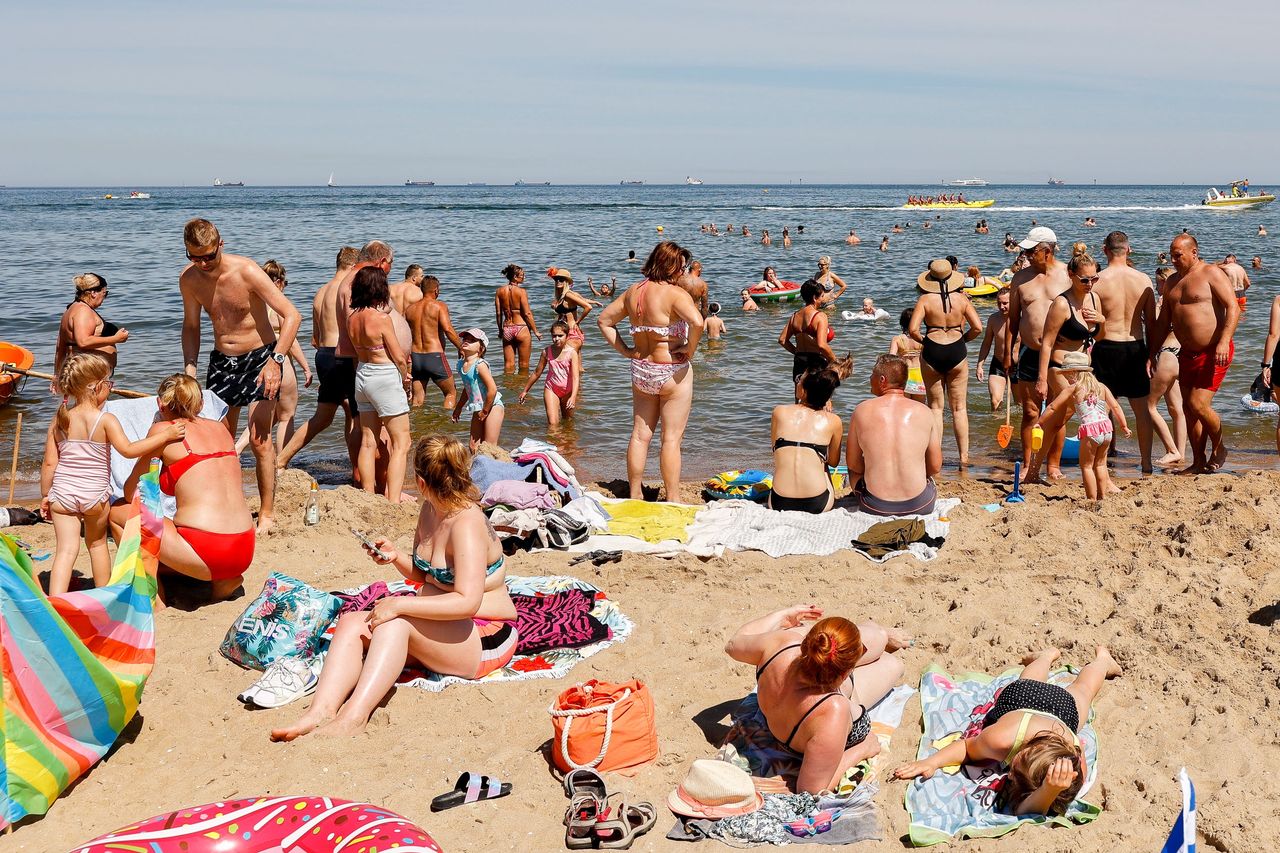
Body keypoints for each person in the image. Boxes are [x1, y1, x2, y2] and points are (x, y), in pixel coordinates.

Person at [271, 435, 518, 741]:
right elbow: (428, 575)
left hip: (486, 633)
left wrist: (401, 604)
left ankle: (354, 717)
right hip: (444, 625)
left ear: (420, 480)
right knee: (351, 623)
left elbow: (467, 601)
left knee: (394, 623)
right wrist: (395, 556)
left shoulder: (466, 523)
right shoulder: (430, 510)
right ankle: (319, 712)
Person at [894, 646, 1121, 816]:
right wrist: (932, 761)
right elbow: (965, 747)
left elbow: (1025, 810)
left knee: (1064, 684)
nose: (1008, 774)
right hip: (1024, 700)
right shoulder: (1001, 739)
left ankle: (1048, 657)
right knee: (1083, 689)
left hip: (1057, 711)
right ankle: (1099, 660)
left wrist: (1050, 790)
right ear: (1019, 752)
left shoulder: (1072, 764)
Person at [180, 218, 301, 534]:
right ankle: (228, 505)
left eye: (209, 256)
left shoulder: (246, 271)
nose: (204, 263)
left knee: (261, 441)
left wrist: (276, 361)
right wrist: (190, 369)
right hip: (221, 363)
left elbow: (292, 316)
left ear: (221, 244)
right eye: (195, 257)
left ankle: (268, 513)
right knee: (220, 440)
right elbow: (191, 326)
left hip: (261, 360)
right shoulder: (189, 280)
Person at [40, 353, 185, 595]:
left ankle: (57, 601)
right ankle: (103, 596)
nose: (111, 387)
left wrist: (46, 495)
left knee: (65, 550)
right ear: (96, 386)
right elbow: (129, 451)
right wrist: (164, 437)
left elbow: (49, 464)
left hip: (62, 494)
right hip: (95, 495)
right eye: (109, 383)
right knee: (97, 545)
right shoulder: (105, 419)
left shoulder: (60, 420)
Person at [725, 607, 908, 794]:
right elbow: (810, 789)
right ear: (846, 673)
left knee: (877, 636)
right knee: (893, 663)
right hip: (837, 695)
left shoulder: (783, 644)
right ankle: (875, 637)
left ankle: (876, 636)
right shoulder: (832, 710)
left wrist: (780, 616)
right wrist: (862, 749)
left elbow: (733, 644)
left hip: (810, 681)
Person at [114, 374, 256, 602]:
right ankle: (222, 581)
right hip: (244, 548)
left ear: (160, 404)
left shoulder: (165, 430)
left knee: (119, 511)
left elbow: (132, 492)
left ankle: (155, 595)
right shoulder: (220, 428)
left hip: (207, 547)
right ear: (200, 404)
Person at [598, 242, 705, 501]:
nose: (683, 272)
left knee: (640, 434)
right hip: (670, 370)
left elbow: (604, 320)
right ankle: (674, 498)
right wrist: (689, 350)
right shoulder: (675, 294)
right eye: (681, 266)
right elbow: (698, 322)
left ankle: (635, 493)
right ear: (671, 265)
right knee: (670, 439)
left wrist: (624, 350)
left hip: (641, 370)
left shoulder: (633, 291)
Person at [1149, 234, 1239, 473]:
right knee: (1189, 411)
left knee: (1198, 404)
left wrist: (1224, 340)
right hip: (1186, 353)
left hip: (1214, 350)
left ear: (1194, 253)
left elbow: (1233, 306)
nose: (1174, 259)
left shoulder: (1211, 273)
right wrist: (1151, 353)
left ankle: (1219, 448)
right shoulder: (1172, 283)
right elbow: (1162, 323)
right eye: (1171, 255)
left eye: (1178, 255)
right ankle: (1198, 462)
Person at [1091, 231, 1172, 472]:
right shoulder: (1144, 280)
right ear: (1129, 250)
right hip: (1135, 347)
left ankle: (1101, 462)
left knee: (1101, 410)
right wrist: (1151, 354)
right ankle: (1146, 462)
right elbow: (1154, 323)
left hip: (1106, 347)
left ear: (1105, 250)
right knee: (1142, 410)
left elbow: (1091, 322)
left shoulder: (1097, 280)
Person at [277, 247, 361, 477]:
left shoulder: (321, 292)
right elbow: (353, 328)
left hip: (324, 355)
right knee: (357, 415)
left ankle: (281, 460)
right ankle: (357, 471)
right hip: (343, 355)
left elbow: (315, 339)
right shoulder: (348, 290)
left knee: (323, 417)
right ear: (354, 266)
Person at [1007, 227, 1070, 476]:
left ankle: (1053, 465)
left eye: (1031, 251)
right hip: (1030, 351)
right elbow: (1013, 319)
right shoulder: (1020, 278)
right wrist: (1008, 352)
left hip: (1060, 354)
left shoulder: (1067, 274)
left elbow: (1082, 307)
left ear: (1047, 251)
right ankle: (1028, 463)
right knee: (1031, 410)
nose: (1026, 255)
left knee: (1057, 411)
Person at [1034, 253, 1103, 479]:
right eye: (1084, 280)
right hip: (1060, 368)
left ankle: (1036, 469)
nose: (1090, 284)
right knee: (1089, 414)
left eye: (1094, 279)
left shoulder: (1094, 300)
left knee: (1055, 424)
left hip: (1083, 370)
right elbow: (1046, 343)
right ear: (1071, 275)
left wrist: (1102, 322)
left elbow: (1101, 338)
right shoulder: (1061, 304)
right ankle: (1097, 473)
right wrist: (1042, 379)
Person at [846, 354, 942, 515]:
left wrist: (872, 467)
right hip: (920, 505)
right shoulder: (924, 411)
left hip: (875, 506)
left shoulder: (861, 410)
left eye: (872, 374)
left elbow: (853, 464)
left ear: (882, 380)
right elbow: (935, 466)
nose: (870, 378)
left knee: (854, 471)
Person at [348, 266, 412, 504]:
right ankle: (393, 500)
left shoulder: (351, 319)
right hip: (384, 375)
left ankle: (367, 495)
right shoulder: (382, 319)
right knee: (402, 441)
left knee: (368, 439)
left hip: (363, 375)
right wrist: (406, 378)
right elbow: (397, 356)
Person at [235, 261, 312, 458]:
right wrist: (306, 367)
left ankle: (237, 448)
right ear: (278, 282)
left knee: (266, 415)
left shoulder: (253, 306)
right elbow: (291, 343)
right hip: (279, 362)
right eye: (285, 283)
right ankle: (281, 463)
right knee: (286, 415)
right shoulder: (279, 306)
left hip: (256, 362)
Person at [910, 260, 982, 466]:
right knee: (959, 409)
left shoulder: (924, 299)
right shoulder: (962, 299)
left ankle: (935, 458)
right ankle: (964, 458)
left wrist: (927, 342)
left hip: (933, 349)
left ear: (930, 279)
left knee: (935, 408)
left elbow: (913, 330)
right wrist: (962, 340)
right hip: (957, 350)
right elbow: (977, 327)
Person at [1033, 352, 1130, 501]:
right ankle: (1102, 496)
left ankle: (1091, 499)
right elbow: (1115, 407)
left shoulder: (1073, 388)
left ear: (1073, 373)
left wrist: (1040, 422)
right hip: (1106, 430)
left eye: (1066, 374)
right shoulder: (1101, 387)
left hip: (1091, 430)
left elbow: (1053, 407)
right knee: (1100, 465)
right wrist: (1124, 426)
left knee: (1086, 466)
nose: (1065, 377)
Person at [769, 368, 843, 513]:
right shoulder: (834, 421)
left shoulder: (779, 412)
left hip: (779, 502)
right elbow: (833, 462)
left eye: (799, 380)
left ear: (804, 390)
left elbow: (775, 450)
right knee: (823, 462)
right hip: (817, 503)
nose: (797, 383)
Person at [405, 275, 462, 409]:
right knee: (450, 393)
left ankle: (418, 428)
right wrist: (461, 347)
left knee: (417, 400)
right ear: (436, 290)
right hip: (434, 356)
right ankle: (448, 424)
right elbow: (448, 329)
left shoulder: (409, 309)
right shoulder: (439, 306)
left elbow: (405, 336)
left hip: (416, 358)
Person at [55, 273, 128, 376]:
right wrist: (116, 338)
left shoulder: (71, 309)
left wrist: (57, 374)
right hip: (88, 372)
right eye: (104, 293)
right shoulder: (83, 311)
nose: (104, 297)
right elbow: (83, 341)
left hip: (80, 370)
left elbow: (60, 347)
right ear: (93, 292)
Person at [518, 320, 580, 426]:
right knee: (552, 423)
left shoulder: (572, 353)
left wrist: (573, 396)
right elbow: (537, 373)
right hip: (552, 388)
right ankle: (553, 441)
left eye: (560, 336)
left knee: (568, 421)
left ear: (567, 335)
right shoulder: (547, 352)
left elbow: (575, 377)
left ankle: (566, 442)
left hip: (568, 391)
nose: (556, 339)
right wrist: (525, 391)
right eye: (554, 336)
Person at [453, 328, 505, 449]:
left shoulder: (480, 365)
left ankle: (494, 466)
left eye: (472, 340)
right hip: (479, 407)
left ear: (480, 349)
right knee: (473, 446)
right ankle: (478, 467)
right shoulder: (461, 365)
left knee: (489, 446)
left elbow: (492, 389)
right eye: (465, 339)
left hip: (493, 406)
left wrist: (485, 411)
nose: (466, 341)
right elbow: (468, 389)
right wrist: (458, 407)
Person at [780, 281, 837, 383]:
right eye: (822, 296)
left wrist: (797, 352)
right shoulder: (820, 316)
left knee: (799, 396)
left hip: (799, 361)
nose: (823, 299)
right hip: (816, 362)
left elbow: (782, 340)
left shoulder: (794, 316)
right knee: (820, 398)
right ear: (815, 298)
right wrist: (834, 361)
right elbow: (822, 345)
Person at [975, 289, 1017, 411]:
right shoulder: (993, 319)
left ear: (1013, 302)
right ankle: (994, 427)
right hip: (998, 363)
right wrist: (979, 365)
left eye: (1005, 303)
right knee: (995, 402)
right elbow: (986, 343)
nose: (1001, 307)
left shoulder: (1021, 319)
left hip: (1017, 366)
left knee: (1021, 405)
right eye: (999, 303)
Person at [494, 264, 541, 372]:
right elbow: (527, 314)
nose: (524, 277)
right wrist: (535, 331)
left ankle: (509, 386)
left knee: (508, 365)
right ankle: (522, 386)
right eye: (522, 275)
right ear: (515, 277)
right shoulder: (521, 292)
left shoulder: (499, 291)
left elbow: (498, 314)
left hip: (507, 328)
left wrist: (500, 330)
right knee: (524, 365)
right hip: (521, 328)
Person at [550, 267, 597, 351]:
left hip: (571, 332)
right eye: (556, 279)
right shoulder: (561, 296)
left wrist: (578, 321)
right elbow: (583, 300)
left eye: (561, 279)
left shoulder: (568, 295)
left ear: (566, 282)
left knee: (571, 361)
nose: (558, 281)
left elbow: (588, 307)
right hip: (564, 332)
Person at [890, 310, 926, 403]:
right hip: (920, 375)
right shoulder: (922, 338)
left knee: (904, 406)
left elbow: (891, 358)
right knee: (919, 406)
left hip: (904, 374)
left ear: (902, 322)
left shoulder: (897, 339)